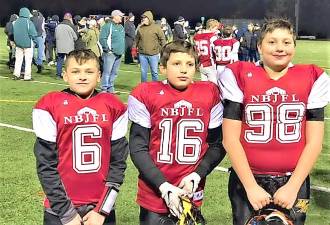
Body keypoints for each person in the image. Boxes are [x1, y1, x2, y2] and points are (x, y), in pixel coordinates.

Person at [218, 18, 330, 225]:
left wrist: (293, 186)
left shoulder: (312, 77)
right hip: (248, 179)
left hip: (294, 180)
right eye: (272, 42)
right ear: (259, 46)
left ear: (294, 46)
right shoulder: (239, 74)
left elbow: (314, 142)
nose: (280, 48)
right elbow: (230, 139)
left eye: (287, 42)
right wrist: (251, 186)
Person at [128, 40, 226, 225]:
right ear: (163, 67)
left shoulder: (209, 93)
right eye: (176, 64)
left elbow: (217, 144)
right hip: (154, 193)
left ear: (196, 68)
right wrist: (163, 185)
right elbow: (138, 148)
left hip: (191, 189)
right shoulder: (147, 93)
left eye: (189, 64)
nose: (183, 70)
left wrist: (197, 175)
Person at [33, 49, 129, 225]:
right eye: (75, 71)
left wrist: (102, 210)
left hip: (100, 206)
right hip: (60, 208)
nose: (82, 77)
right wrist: (66, 213)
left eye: (89, 71)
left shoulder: (113, 105)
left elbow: (118, 164)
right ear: (65, 75)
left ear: (99, 76)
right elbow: (46, 165)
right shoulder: (49, 105)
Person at [134, 10, 166, 82]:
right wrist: (134, 48)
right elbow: (136, 39)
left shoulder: (156, 27)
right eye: (142, 18)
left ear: (149, 18)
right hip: (142, 55)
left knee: (154, 72)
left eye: (144, 18)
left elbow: (162, 39)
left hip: (153, 54)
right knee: (143, 73)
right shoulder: (140, 28)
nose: (142, 19)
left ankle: (155, 88)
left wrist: (164, 50)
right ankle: (143, 87)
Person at [99, 10, 125, 93]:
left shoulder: (121, 27)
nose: (122, 17)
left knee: (114, 72)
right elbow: (102, 38)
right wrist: (107, 49)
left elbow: (122, 39)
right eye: (120, 16)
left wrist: (122, 50)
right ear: (115, 16)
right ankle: (104, 89)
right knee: (107, 72)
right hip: (110, 54)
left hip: (119, 54)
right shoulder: (107, 26)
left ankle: (110, 88)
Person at [12, 7, 38, 81]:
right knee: (28, 61)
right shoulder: (28, 22)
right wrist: (35, 42)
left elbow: (13, 33)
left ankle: (16, 74)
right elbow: (33, 33)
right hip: (28, 44)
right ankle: (27, 76)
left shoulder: (16, 21)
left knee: (18, 60)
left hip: (18, 44)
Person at [193, 18, 219, 84]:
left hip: (201, 63)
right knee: (214, 85)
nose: (216, 30)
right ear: (211, 27)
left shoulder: (197, 37)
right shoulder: (212, 37)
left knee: (204, 86)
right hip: (210, 63)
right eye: (215, 28)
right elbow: (216, 52)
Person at [55, 12, 77, 79]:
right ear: (70, 18)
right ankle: (68, 75)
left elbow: (55, 36)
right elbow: (75, 37)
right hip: (69, 47)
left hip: (60, 46)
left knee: (60, 60)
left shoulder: (58, 25)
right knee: (69, 61)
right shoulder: (71, 26)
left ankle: (58, 75)